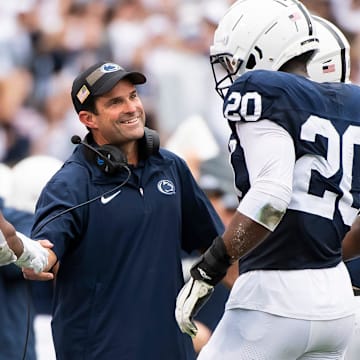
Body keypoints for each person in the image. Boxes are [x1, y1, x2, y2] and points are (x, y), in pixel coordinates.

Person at [175, 0, 360, 359]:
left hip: (271, 295)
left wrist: (210, 268)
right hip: (336, 301)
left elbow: (271, 196)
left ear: (260, 50)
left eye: (233, 59)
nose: (230, 72)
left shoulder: (262, 90)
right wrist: (322, 262)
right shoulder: (352, 102)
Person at [19, 61, 235, 360]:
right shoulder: (70, 184)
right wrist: (32, 257)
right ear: (88, 118)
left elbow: (218, 249)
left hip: (171, 351)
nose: (132, 107)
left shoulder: (171, 167)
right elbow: (44, 255)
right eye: (115, 102)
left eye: (133, 96)